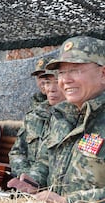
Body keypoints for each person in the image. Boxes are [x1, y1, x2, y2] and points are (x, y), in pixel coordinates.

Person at [8, 36, 105, 202]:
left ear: (103, 74)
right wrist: (33, 180)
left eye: (75, 70)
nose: (65, 80)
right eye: (61, 72)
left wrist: (66, 201)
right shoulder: (61, 116)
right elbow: (46, 161)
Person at [9, 69, 66, 176]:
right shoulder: (33, 117)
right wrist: (26, 176)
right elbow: (17, 152)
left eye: (57, 82)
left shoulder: (75, 119)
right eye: (47, 82)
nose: (52, 89)